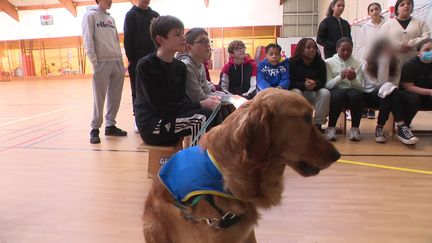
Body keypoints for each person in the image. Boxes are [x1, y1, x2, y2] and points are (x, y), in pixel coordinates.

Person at [134, 16, 220, 146]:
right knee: (200, 119)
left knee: (214, 113)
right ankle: (195, 161)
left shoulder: (179, 67)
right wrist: (201, 104)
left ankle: (211, 155)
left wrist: (206, 103)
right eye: (177, 35)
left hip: (170, 117)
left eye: (182, 33)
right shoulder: (146, 65)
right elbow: (161, 108)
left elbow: (181, 101)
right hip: (153, 125)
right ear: (160, 39)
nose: (183, 38)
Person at [82, 0, 127, 144]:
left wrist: (121, 60)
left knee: (115, 96)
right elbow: (88, 39)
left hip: (116, 61)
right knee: (99, 97)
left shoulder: (110, 18)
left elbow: (115, 40)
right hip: (101, 62)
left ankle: (110, 125)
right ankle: (95, 129)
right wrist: (94, 62)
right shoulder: (90, 15)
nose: (110, 1)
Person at [362, 38, 418, 144]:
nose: (386, 53)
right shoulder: (367, 65)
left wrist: (387, 65)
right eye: (383, 50)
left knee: (391, 92)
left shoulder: (396, 64)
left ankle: (380, 127)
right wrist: (384, 63)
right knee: (388, 90)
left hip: (391, 93)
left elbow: (395, 83)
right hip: (372, 93)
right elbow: (377, 84)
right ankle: (401, 127)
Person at [124, 0, 159, 132]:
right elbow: (128, 38)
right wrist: (131, 58)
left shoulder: (155, 15)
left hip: (154, 58)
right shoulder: (131, 15)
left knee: (155, 88)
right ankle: (138, 119)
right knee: (137, 91)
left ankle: (156, 114)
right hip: (137, 59)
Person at [325, 37, 364, 141]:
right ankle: (331, 128)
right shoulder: (328, 62)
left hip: (351, 89)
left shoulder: (358, 63)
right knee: (338, 95)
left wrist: (353, 79)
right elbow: (327, 85)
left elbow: (361, 87)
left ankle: (355, 128)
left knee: (357, 95)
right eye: (343, 50)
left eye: (349, 50)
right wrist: (340, 77)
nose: (346, 52)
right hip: (336, 89)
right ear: (337, 49)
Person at [288, 38, 330, 132]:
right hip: (298, 92)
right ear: (301, 49)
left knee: (325, 92)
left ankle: (318, 124)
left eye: (314, 47)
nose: (312, 50)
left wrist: (315, 84)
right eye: (308, 47)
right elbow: (289, 83)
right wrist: (304, 85)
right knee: (296, 92)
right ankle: (300, 124)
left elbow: (323, 82)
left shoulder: (320, 63)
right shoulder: (292, 62)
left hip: (314, 92)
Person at [379, 0, 431, 64]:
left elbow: (426, 38)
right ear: (397, 10)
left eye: (409, 4)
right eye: (402, 5)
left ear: (412, 8)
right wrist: (399, 46)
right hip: (393, 61)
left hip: (415, 61)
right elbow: (381, 41)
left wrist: (411, 44)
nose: (406, 6)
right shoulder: (387, 25)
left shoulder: (420, 23)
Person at [358, 2, 385, 119]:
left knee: (382, 85)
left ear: (380, 10)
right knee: (368, 84)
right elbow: (362, 45)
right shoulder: (364, 28)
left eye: (376, 9)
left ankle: (375, 109)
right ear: (369, 13)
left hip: (384, 61)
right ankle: (368, 107)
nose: (374, 11)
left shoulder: (387, 25)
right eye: (372, 10)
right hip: (369, 61)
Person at [176, 28, 217, 103]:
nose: (207, 44)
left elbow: (207, 92)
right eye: (202, 41)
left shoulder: (201, 65)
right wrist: (226, 99)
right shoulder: (186, 66)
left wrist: (229, 97)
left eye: (208, 41)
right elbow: (198, 98)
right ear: (189, 47)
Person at [400, 38, 432, 130]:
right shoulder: (410, 65)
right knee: (414, 98)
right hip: (411, 95)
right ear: (419, 52)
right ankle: (404, 126)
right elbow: (408, 87)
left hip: (428, 96)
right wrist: (429, 92)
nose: (430, 52)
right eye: (427, 50)